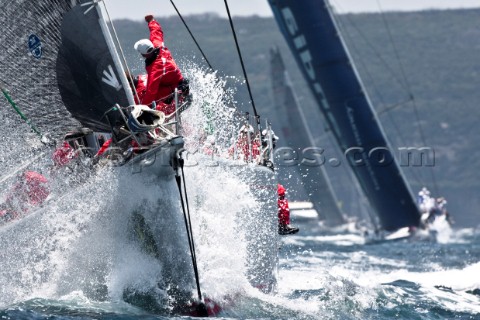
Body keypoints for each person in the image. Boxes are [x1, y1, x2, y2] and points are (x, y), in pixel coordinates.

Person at [134, 15, 189, 115]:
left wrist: (141, 110)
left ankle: (147, 116)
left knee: (148, 96)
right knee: (148, 92)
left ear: (144, 54)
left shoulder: (156, 69)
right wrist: (151, 21)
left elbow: (151, 92)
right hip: (176, 83)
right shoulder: (157, 44)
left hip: (178, 89)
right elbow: (156, 32)